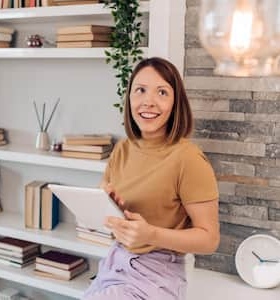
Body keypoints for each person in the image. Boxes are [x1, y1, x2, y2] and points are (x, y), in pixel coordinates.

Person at [83, 57, 220, 300]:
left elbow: (209, 239)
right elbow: (116, 218)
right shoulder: (123, 149)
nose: (149, 101)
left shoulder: (189, 159)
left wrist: (151, 235)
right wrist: (112, 205)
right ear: (129, 99)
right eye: (140, 90)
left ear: (176, 103)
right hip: (115, 263)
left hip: (157, 275)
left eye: (162, 92)